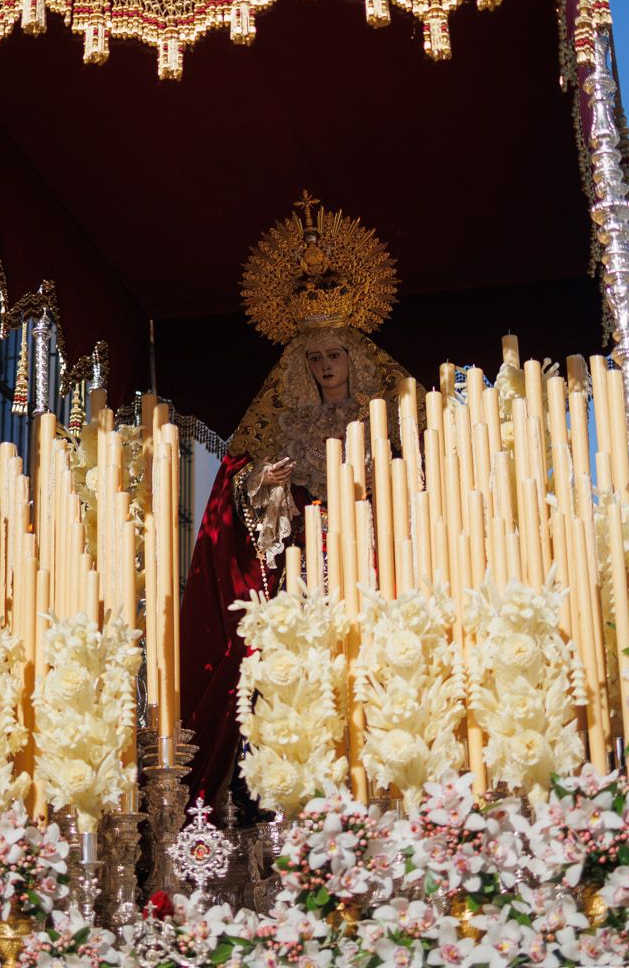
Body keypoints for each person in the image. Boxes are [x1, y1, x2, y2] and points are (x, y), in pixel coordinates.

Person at [177, 196, 410, 809]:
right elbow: (236, 503)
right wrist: (268, 485)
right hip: (307, 564)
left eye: (335, 356)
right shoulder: (281, 427)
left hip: (375, 555)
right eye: (315, 359)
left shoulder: (387, 420)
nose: (327, 367)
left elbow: (418, 485)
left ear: (355, 359)